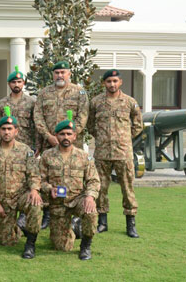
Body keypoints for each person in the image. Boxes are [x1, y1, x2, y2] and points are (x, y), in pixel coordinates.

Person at [33, 61, 89, 228]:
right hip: (49, 143)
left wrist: (70, 135)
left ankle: (76, 215)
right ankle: (47, 214)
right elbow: (38, 116)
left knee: (74, 177)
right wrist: (48, 136)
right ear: (53, 74)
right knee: (48, 177)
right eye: (57, 72)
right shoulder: (44, 93)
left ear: (69, 73)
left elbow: (83, 116)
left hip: (72, 145)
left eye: (63, 72)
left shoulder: (79, 93)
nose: (59, 75)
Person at [0, 107, 42, 258]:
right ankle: (18, 227)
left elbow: (33, 174)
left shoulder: (25, 150)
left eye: (10, 129)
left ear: (16, 131)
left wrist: (34, 190)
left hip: (20, 196)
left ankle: (30, 244)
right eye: (3, 129)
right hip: (2, 198)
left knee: (36, 205)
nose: (6, 132)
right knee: (7, 241)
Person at [88, 69, 143, 238]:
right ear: (104, 83)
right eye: (109, 81)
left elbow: (138, 124)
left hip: (123, 152)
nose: (112, 84)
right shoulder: (96, 102)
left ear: (120, 82)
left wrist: (124, 138)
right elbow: (90, 124)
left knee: (127, 188)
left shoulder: (129, 102)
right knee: (100, 188)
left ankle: (130, 223)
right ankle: (102, 222)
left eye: (115, 81)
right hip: (102, 152)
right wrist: (102, 138)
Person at [39, 114, 100, 260]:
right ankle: (73, 228)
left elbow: (93, 180)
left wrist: (90, 196)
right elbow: (39, 180)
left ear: (74, 136)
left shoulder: (84, 157)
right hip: (58, 203)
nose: (65, 137)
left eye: (69, 134)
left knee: (90, 211)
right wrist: (49, 189)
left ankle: (86, 245)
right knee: (61, 247)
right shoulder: (47, 156)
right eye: (62, 134)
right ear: (56, 136)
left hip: (78, 199)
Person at [0, 66, 38, 150]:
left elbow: (36, 125)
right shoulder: (2, 103)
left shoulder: (31, 103)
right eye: (13, 82)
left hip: (27, 145)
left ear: (23, 83)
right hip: (6, 145)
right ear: (9, 84)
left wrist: (37, 145)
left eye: (19, 82)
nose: (16, 84)